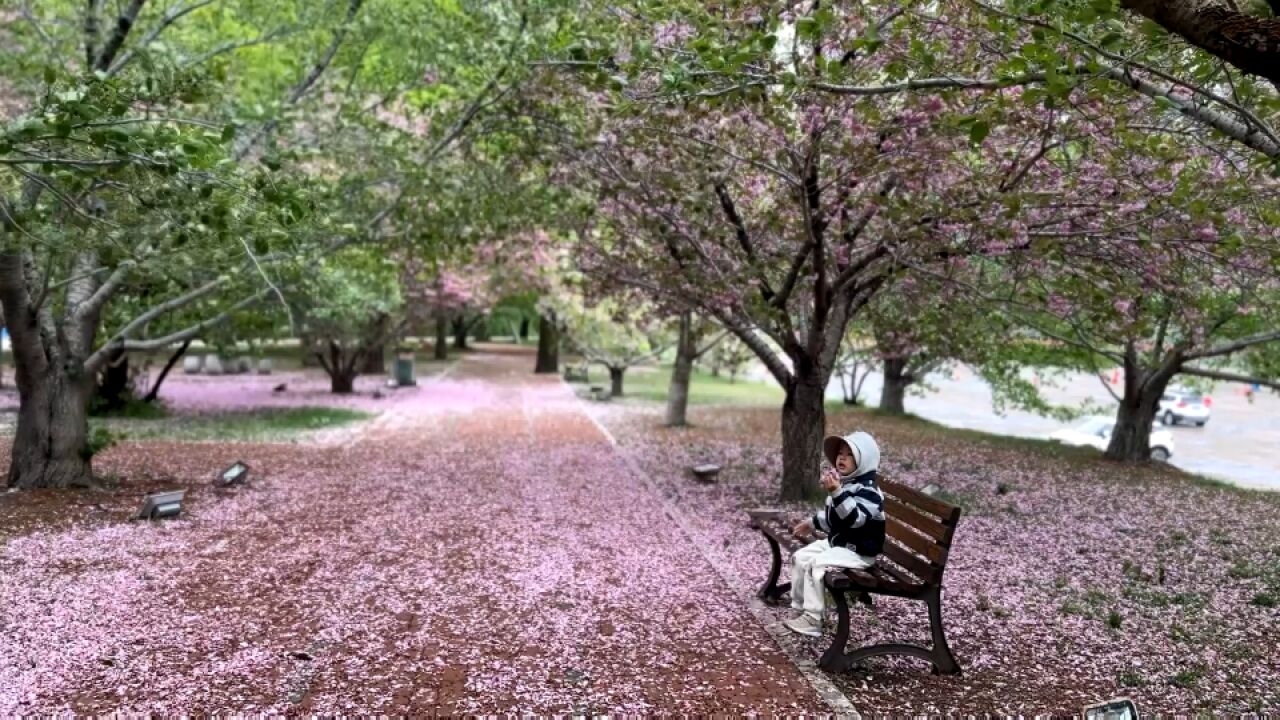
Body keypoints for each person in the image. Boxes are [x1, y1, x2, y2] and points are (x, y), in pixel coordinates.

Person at [783, 431, 885, 637]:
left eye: (849, 454)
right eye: (840, 453)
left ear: (864, 461)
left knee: (817, 564)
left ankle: (813, 619)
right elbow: (834, 519)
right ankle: (802, 607)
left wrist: (837, 493)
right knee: (800, 557)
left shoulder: (870, 492)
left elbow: (854, 519)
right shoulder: (845, 484)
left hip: (859, 552)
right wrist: (811, 523)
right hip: (840, 543)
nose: (842, 457)